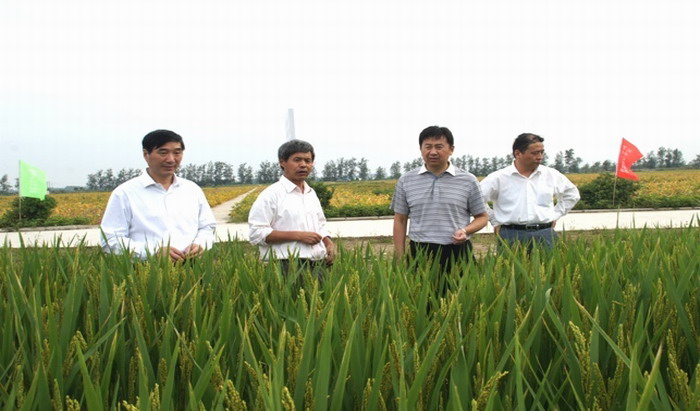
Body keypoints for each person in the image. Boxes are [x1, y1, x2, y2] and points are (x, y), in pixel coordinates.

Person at [100, 129, 216, 262]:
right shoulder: (125, 193)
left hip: (194, 267)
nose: (171, 159)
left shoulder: (192, 190)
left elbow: (207, 227)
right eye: (163, 152)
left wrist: (200, 244)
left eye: (177, 152)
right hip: (145, 269)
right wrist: (152, 252)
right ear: (146, 154)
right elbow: (110, 240)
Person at [392, 125, 488, 275]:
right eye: (428, 147)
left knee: (461, 290)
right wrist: (400, 257)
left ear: (451, 149)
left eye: (439, 147)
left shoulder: (468, 180)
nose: (433, 152)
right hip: (420, 251)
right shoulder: (406, 180)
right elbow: (400, 219)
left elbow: (482, 217)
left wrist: (465, 231)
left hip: (457, 250)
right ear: (421, 149)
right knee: (421, 290)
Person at [480, 133, 580, 251]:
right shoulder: (498, 178)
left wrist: (556, 214)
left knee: (550, 263)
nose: (540, 157)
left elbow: (572, 195)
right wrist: (494, 220)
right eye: (534, 153)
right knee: (510, 263)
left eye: (542, 152)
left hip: (545, 234)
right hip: (511, 235)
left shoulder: (551, 175)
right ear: (518, 153)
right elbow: (477, 199)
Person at [248, 139, 335, 273]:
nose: (303, 165)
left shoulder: (310, 193)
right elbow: (256, 233)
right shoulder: (271, 195)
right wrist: (297, 236)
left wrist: (328, 242)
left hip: (318, 264)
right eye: (297, 160)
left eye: (308, 160)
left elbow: (320, 225)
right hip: (285, 265)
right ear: (282, 162)